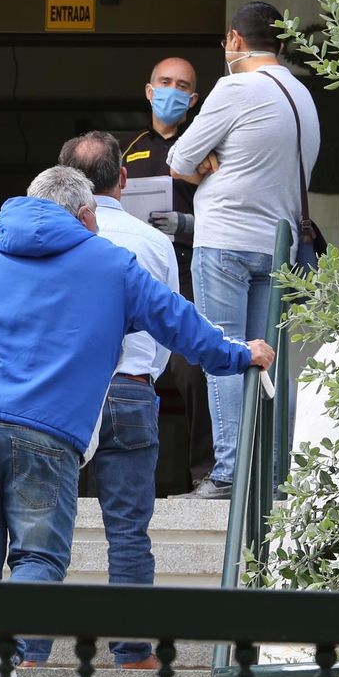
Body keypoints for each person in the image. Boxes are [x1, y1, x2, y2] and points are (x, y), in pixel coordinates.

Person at [0, 167, 274, 677]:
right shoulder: (111, 263)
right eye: (93, 216)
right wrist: (242, 354)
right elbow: (182, 327)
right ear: (83, 214)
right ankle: (1, 655)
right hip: (44, 430)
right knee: (40, 557)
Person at [24, 132, 179, 672]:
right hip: (132, 392)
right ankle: (133, 651)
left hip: (62, 392)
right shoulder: (153, 242)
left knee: (41, 528)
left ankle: (30, 653)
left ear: (63, 181)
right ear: (124, 179)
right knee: (129, 530)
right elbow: (168, 325)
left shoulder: (40, 242)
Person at [167, 2, 321, 499]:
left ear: (235, 40)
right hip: (278, 247)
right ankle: (275, 475)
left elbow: (178, 158)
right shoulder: (301, 94)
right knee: (268, 359)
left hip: (226, 241)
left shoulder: (235, 87)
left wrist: (208, 163)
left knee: (224, 353)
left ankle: (229, 471)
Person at [123, 58, 215, 490]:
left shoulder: (208, 147)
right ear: (148, 90)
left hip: (187, 267)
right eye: (165, 82)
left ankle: (208, 473)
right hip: (134, 271)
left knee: (193, 367)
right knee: (118, 367)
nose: (172, 91)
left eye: (182, 86)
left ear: (194, 99)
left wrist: (188, 225)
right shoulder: (125, 150)